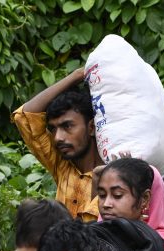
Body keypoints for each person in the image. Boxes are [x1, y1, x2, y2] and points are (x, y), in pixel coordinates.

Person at [12, 68, 103, 221]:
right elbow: (24, 118)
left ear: (91, 127)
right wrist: (76, 76)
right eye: (53, 129)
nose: (57, 138)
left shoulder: (113, 176)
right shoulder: (62, 165)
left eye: (67, 126)